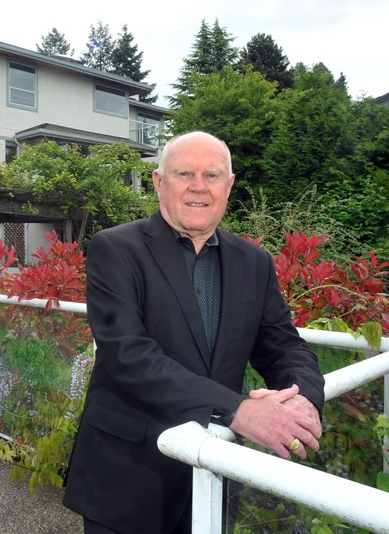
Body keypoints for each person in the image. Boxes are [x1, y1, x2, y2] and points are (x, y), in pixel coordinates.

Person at [62, 131, 325, 534]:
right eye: (185, 173)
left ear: (229, 185)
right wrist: (238, 410)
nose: (198, 187)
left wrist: (303, 397)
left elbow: (282, 345)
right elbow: (128, 356)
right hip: (126, 477)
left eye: (212, 175)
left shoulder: (254, 262)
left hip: (210, 473)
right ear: (158, 181)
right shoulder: (115, 249)